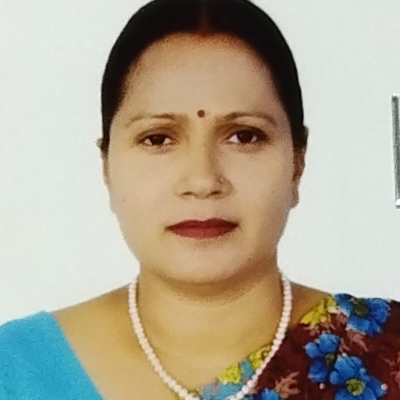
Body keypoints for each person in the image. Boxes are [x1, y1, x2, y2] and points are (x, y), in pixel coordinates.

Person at [1, 0, 399, 399]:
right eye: (158, 139)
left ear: (298, 163)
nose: (203, 180)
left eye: (244, 136)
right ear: (107, 166)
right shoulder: (15, 370)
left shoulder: (386, 355)